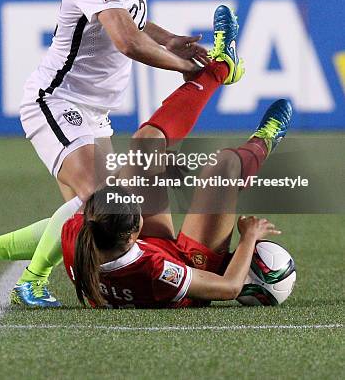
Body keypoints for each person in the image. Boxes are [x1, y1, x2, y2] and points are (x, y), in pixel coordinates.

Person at [0, 0, 244, 307]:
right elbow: (128, 42)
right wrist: (249, 242)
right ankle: (25, 276)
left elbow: (128, 24)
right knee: (115, 181)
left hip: (84, 108)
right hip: (61, 101)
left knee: (98, 203)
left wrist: (167, 41)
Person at [67, 98, 292, 309]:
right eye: (138, 215)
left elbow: (101, 199)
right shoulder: (155, 269)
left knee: (146, 145)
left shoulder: (77, 232)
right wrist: (249, 236)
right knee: (225, 167)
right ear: (133, 236)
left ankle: (208, 79)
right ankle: (262, 142)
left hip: (138, 249)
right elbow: (230, 287)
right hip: (189, 264)